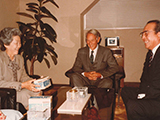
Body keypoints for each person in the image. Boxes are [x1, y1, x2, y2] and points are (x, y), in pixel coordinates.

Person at [121, 20, 160, 120]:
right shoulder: (150, 54)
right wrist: (141, 93)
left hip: (157, 98)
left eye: (146, 34)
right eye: (142, 34)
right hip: (152, 93)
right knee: (125, 91)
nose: (143, 38)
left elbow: (157, 84)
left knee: (133, 106)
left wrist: (144, 96)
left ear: (159, 34)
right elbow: (144, 78)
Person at [0, 27, 41, 109]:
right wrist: (21, 85)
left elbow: (23, 77)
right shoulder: (1, 59)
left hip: (18, 90)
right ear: (6, 44)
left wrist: (35, 82)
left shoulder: (19, 58)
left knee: (37, 92)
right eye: (16, 43)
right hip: (5, 93)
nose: (19, 46)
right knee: (25, 95)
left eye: (20, 43)